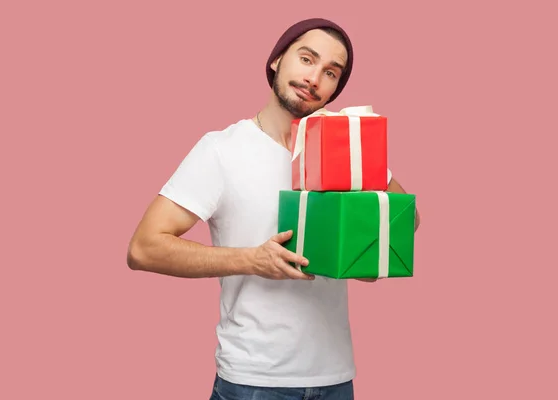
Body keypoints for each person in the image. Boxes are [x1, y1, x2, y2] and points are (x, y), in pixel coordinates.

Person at [127, 17, 420, 400]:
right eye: (306, 59)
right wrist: (253, 260)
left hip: (336, 378)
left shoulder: (344, 152)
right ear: (277, 60)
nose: (315, 77)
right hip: (254, 381)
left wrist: (360, 249)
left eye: (331, 72)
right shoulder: (222, 150)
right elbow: (143, 248)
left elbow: (406, 219)